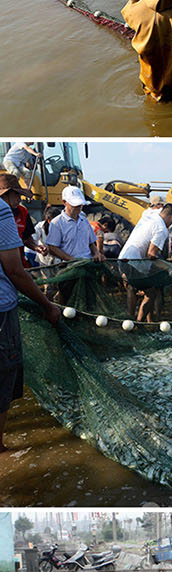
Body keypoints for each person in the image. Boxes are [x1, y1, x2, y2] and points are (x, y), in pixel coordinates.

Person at [0, 171, 62, 451]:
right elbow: (14, 270)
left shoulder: (20, 213)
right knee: (4, 374)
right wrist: (46, 305)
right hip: (2, 308)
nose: (16, 201)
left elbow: (21, 243)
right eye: (14, 196)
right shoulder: (2, 211)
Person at [118, 199, 172, 322]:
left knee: (133, 288)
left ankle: (133, 319)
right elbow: (151, 253)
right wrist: (165, 265)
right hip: (134, 263)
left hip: (122, 258)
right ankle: (138, 322)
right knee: (151, 293)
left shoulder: (151, 216)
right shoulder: (162, 229)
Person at [45, 186, 102, 264]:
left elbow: (91, 243)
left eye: (80, 205)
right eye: (75, 205)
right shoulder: (57, 223)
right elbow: (52, 247)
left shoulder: (84, 221)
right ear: (64, 202)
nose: (78, 208)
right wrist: (70, 259)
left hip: (87, 263)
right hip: (69, 265)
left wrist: (96, 253)